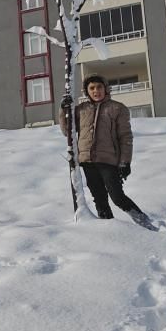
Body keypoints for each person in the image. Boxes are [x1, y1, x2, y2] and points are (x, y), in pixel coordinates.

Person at [59, 74, 155, 230]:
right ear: (87, 91)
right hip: (88, 161)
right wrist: (64, 110)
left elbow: (125, 137)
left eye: (99, 87)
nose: (96, 91)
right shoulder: (81, 109)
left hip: (109, 161)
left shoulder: (117, 108)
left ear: (105, 89)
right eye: (91, 88)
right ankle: (109, 230)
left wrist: (125, 162)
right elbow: (67, 131)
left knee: (117, 197)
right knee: (99, 198)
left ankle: (145, 223)